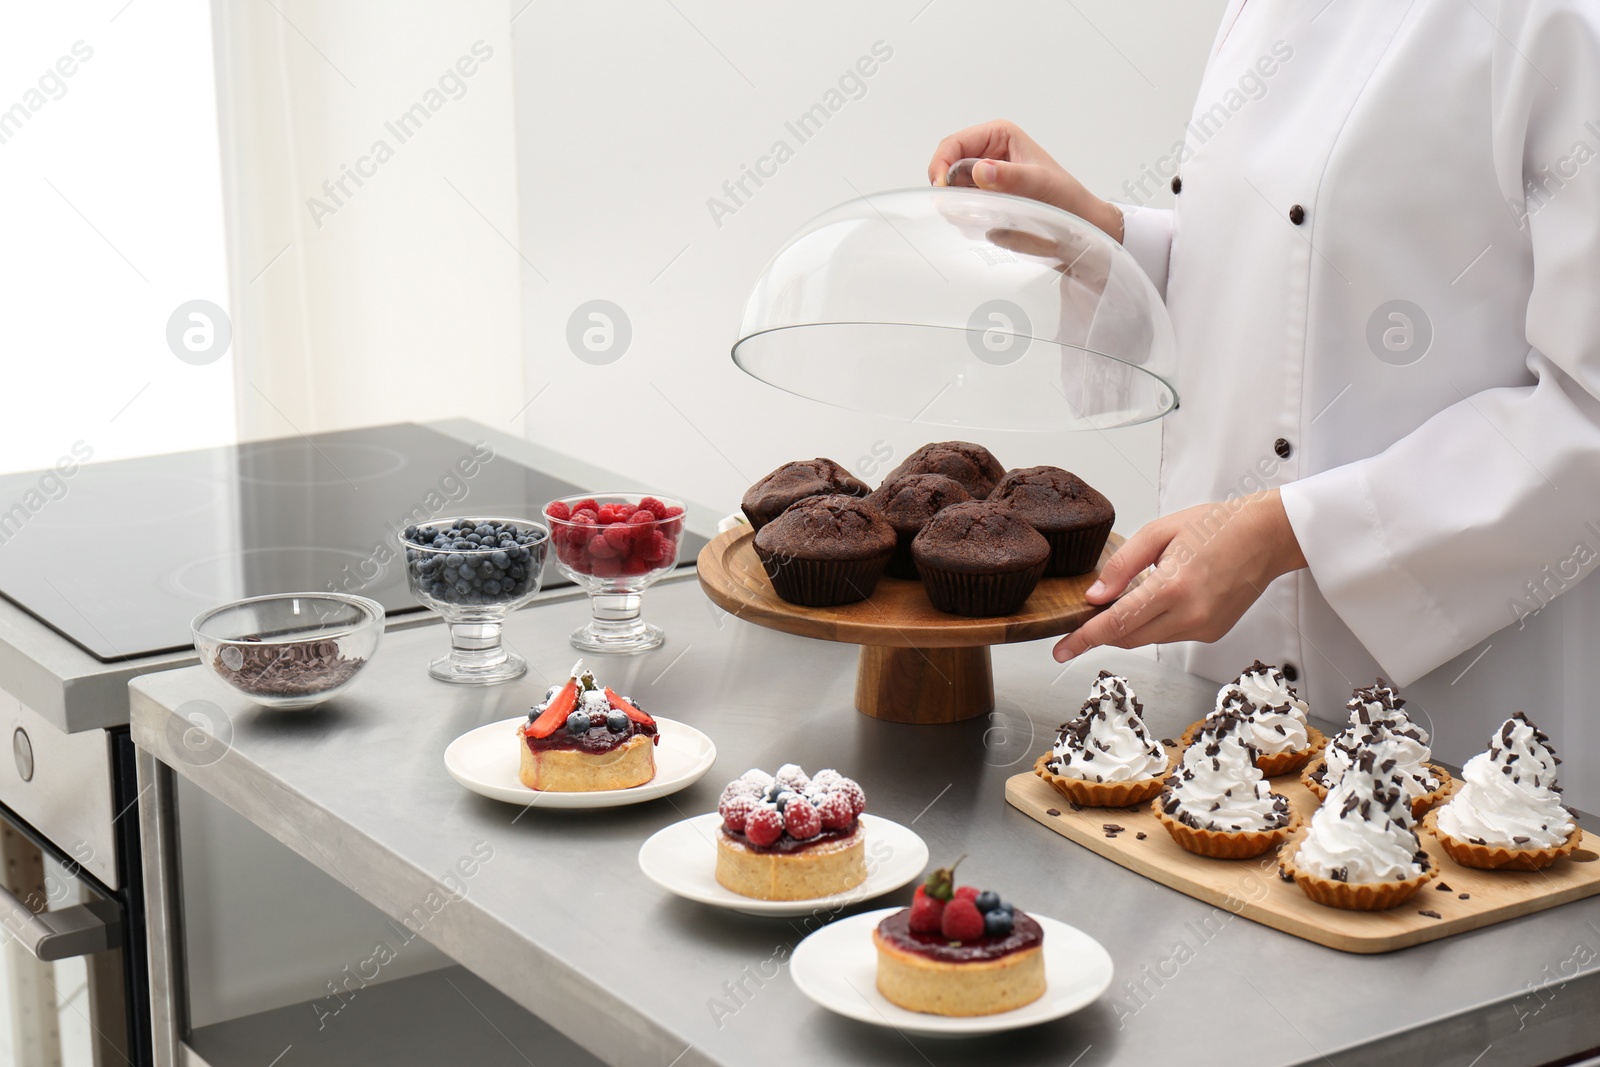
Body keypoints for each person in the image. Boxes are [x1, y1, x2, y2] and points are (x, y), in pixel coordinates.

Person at [929, 0, 1600, 802]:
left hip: (1468, 723)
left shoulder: (1554, 21)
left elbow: (1585, 413)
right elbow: (1286, 271)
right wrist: (1100, 237)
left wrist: (1284, 533)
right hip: (1222, 702)